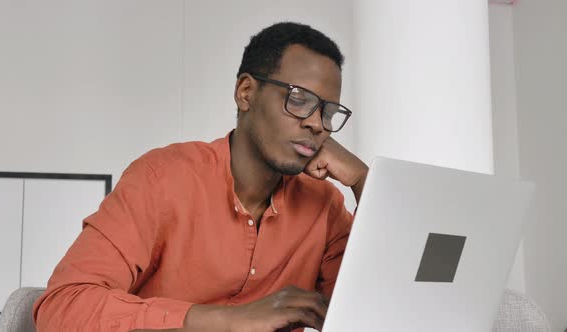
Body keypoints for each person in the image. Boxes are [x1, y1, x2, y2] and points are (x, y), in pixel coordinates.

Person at [33, 22, 368, 332]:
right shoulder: (160, 179)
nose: (317, 124)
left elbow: (375, 308)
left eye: (328, 111)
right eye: (299, 99)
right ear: (246, 92)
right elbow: (62, 307)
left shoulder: (324, 206)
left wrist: (362, 179)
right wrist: (230, 319)